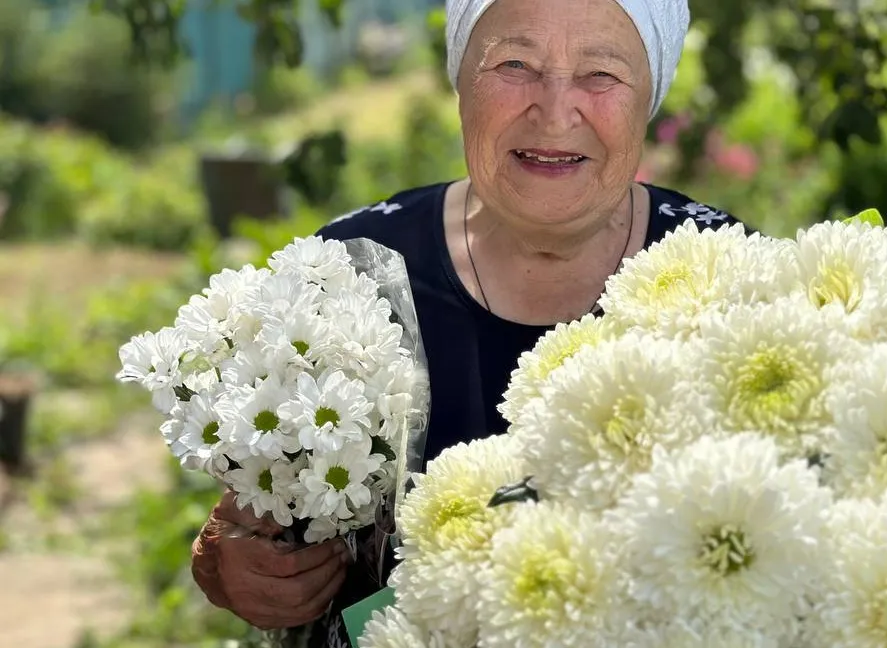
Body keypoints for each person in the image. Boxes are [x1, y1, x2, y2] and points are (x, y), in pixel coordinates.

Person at [189, 0, 750, 645]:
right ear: (461, 79)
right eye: (514, 64)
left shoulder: (732, 281)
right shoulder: (348, 273)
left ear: (650, 95)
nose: (554, 111)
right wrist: (231, 558)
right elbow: (256, 515)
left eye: (601, 74)